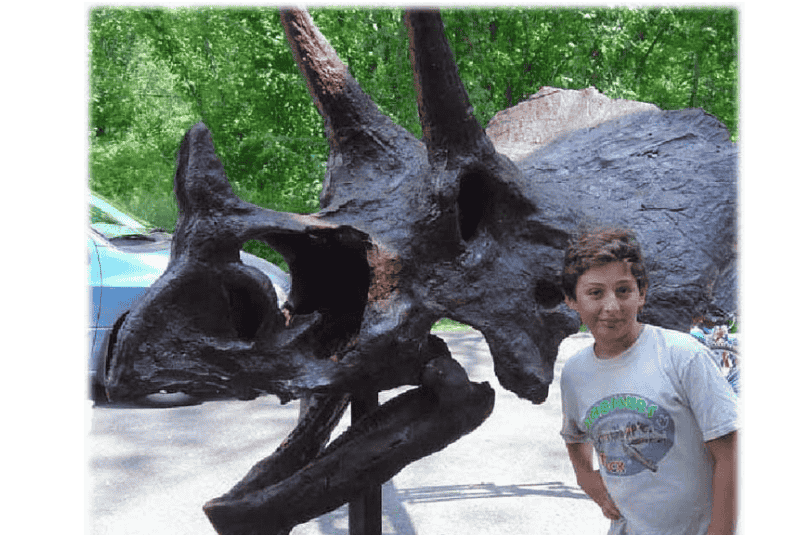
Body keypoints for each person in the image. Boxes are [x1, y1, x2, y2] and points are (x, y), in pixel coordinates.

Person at [559, 228, 738, 535]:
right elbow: (574, 434)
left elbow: (732, 451)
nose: (612, 306)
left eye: (624, 290)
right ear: (572, 300)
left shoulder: (683, 357)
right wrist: (585, 478)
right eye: (595, 293)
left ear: (641, 294)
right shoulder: (575, 374)